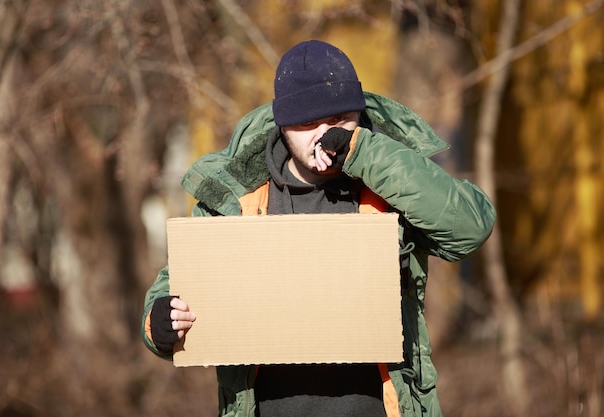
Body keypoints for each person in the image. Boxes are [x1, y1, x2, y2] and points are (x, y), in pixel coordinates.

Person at [141, 39, 496, 417]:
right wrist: (160, 323)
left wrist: (365, 153)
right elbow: (174, 287)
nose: (325, 135)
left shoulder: (388, 187)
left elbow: (470, 226)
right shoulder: (236, 200)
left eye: (341, 119)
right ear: (283, 125)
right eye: (309, 124)